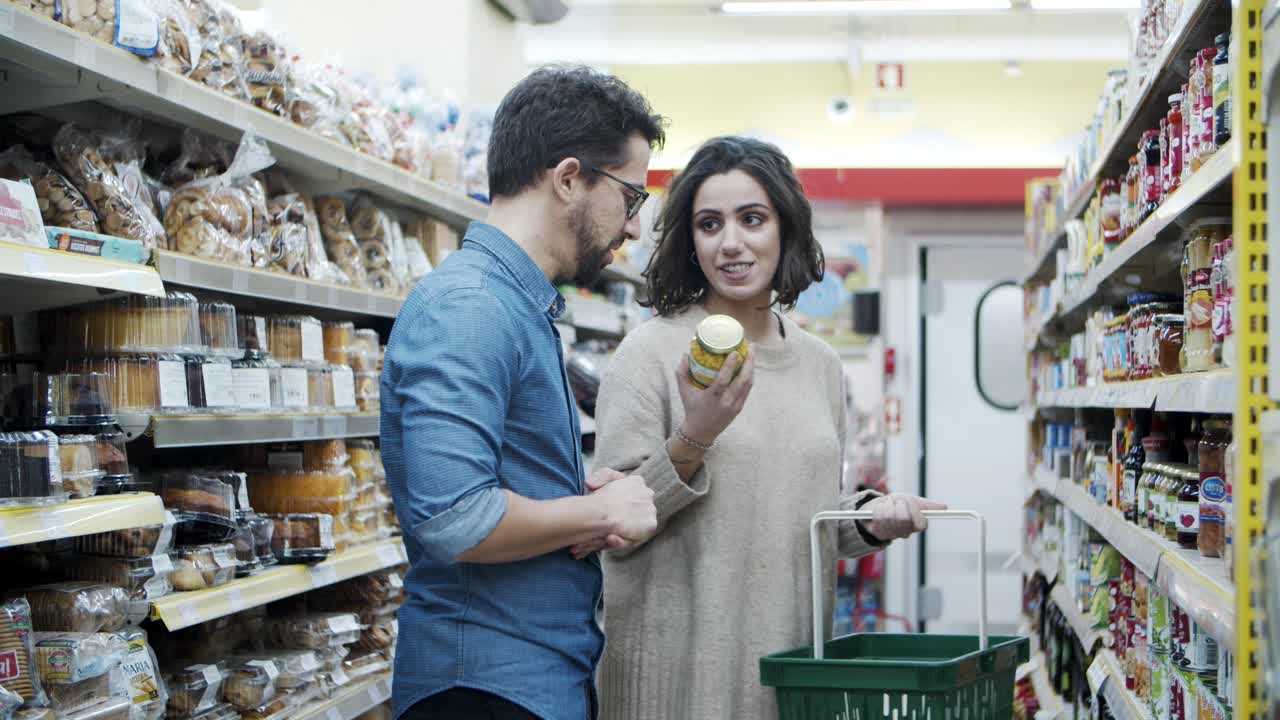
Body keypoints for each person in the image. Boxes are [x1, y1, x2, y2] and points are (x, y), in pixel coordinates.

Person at [582, 136, 946, 719]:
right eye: (709, 224)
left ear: (786, 229)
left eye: (752, 219)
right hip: (680, 685)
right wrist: (694, 438)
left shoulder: (819, 365)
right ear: (689, 241)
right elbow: (613, 527)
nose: (732, 243)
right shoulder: (648, 353)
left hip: (791, 676)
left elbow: (806, 513)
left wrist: (869, 521)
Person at [380, 67, 666, 720]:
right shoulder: (469, 307)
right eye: (631, 197)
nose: (634, 229)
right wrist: (602, 513)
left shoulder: (515, 306)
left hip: (525, 681)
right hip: (481, 687)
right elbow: (458, 516)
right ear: (569, 179)